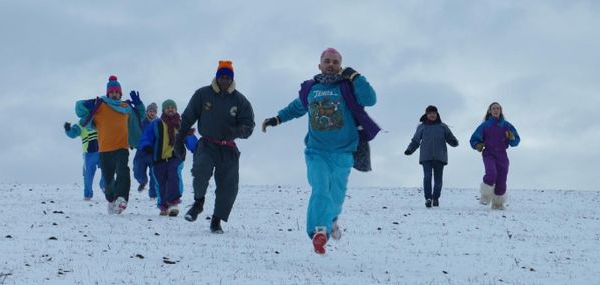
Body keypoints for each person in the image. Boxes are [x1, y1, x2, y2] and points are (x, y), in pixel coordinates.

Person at [262, 48, 377, 255]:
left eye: (335, 62)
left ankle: (330, 220)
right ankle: (319, 232)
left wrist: (357, 77)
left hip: (343, 152)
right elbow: (296, 107)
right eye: (327, 61)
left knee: (336, 195)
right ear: (320, 65)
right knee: (321, 188)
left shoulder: (348, 87)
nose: (330, 64)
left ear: (340, 66)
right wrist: (277, 119)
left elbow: (370, 99)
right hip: (317, 152)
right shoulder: (311, 89)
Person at [174, 60, 255, 233]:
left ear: (232, 79)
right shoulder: (202, 95)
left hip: (229, 148)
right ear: (217, 78)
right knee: (200, 170)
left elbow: (249, 126)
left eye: (228, 78)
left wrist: (236, 130)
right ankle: (198, 203)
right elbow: (188, 117)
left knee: (229, 186)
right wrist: (179, 139)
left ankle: (216, 220)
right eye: (221, 77)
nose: (224, 81)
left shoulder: (240, 101)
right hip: (207, 144)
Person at [75, 75, 145, 214]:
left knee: (123, 172)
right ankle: (112, 200)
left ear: (120, 93)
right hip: (105, 150)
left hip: (122, 148)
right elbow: (79, 108)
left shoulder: (125, 107)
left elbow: (139, 116)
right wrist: (88, 103)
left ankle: (121, 198)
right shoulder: (100, 105)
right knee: (108, 180)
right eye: (112, 92)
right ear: (108, 93)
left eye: (117, 92)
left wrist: (138, 104)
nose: (114, 94)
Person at [138, 99, 198, 216]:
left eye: (173, 107)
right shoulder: (156, 124)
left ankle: (173, 203)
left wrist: (196, 148)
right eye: (168, 107)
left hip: (175, 156)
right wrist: (146, 146)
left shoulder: (181, 124)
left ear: (175, 110)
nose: (170, 109)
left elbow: (189, 138)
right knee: (161, 182)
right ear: (164, 110)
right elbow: (146, 137)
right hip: (158, 159)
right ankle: (163, 205)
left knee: (173, 175)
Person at [404, 105, 459, 208]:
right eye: (430, 113)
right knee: (427, 177)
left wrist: (454, 142)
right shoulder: (421, 127)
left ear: (437, 114)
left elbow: (450, 137)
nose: (432, 115)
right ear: (426, 114)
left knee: (438, 181)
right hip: (426, 157)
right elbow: (415, 141)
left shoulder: (443, 126)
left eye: (434, 113)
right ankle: (428, 198)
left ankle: (436, 197)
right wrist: (410, 150)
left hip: (440, 157)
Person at [469, 102, 520, 210]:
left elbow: (516, 142)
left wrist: (511, 137)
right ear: (490, 111)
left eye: (498, 108)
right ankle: (485, 196)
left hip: (502, 154)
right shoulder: (485, 125)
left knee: (502, 180)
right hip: (489, 153)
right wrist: (477, 145)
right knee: (491, 174)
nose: (496, 110)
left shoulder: (506, 125)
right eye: (493, 108)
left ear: (500, 111)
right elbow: (473, 139)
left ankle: (498, 203)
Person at [64, 121, 106, 200]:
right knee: (88, 174)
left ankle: (104, 186)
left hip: (104, 150)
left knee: (107, 170)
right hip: (89, 153)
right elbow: (74, 133)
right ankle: (87, 194)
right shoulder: (82, 122)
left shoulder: (102, 118)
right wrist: (68, 130)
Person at [134, 102, 159, 198]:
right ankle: (143, 181)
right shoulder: (141, 122)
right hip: (141, 152)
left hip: (154, 152)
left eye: (154, 111)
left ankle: (153, 194)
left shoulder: (159, 123)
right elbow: (133, 131)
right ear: (147, 112)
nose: (152, 113)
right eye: (150, 111)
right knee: (137, 172)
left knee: (154, 174)